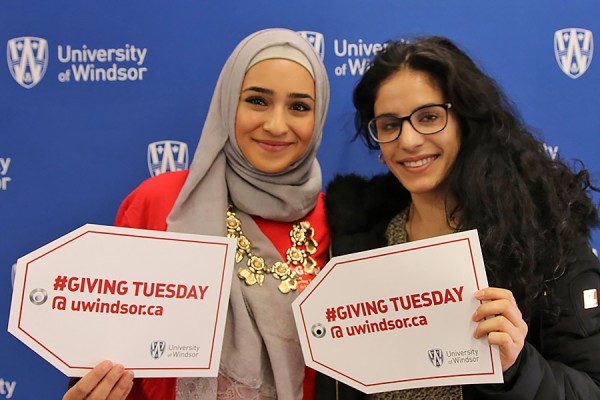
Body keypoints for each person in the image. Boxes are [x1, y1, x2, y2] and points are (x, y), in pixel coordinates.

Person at [315, 36, 600, 399]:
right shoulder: (359, 245)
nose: (409, 140)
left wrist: (517, 367)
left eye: (429, 117)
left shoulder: (543, 239)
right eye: (389, 125)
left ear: (466, 120)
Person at [64, 27, 330, 400]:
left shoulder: (336, 223)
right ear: (227, 103)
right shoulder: (159, 203)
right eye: (257, 100)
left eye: (299, 106)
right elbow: (105, 350)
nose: (276, 124)